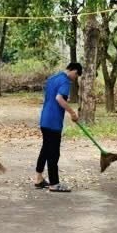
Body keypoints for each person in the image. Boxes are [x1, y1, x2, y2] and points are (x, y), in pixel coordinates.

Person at [34, 62, 82, 192]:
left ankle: (38, 178)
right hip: (54, 122)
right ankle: (54, 184)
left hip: (45, 119)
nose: (75, 78)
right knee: (53, 153)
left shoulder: (53, 78)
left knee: (45, 149)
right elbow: (59, 98)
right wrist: (72, 112)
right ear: (74, 71)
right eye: (76, 75)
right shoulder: (65, 81)